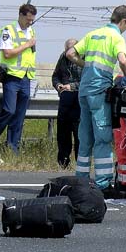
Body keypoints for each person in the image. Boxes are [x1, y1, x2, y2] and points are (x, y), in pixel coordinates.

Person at [66, 5, 126, 195]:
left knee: (85, 136)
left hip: (84, 90)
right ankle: (103, 185)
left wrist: (85, 64)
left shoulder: (93, 34)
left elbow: (70, 54)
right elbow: (122, 60)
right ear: (123, 21)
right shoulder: (116, 37)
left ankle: (81, 181)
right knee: (102, 138)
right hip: (99, 90)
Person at [0, 3, 37, 153]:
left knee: (19, 116)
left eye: (32, 20)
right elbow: (7, 53)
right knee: (9, 110)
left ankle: (12, 148)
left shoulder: (31, 31)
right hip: (12, 76)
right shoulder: (8, 30)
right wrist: (27, 44)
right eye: (28, 19)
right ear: (21, 15)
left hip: (26, 77)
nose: (30, 22)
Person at [52, 38, 82, 168]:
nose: (68, 53)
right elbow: (55, 76)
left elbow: (89, 81)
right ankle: (63, 162)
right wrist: (58, 85)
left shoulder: (84, 60)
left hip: (79, 100)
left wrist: (72, 86)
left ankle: (81, 163)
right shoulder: (63, 58)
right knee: (63, 132)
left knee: (79, 133)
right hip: (65, 99)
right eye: (66, 50)